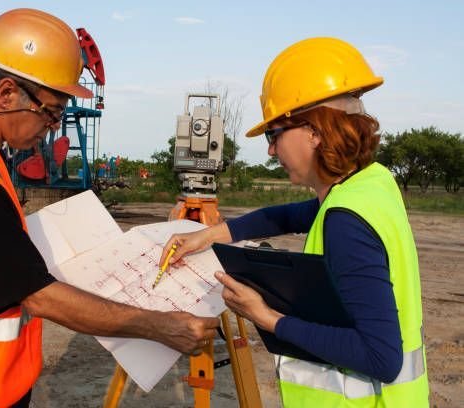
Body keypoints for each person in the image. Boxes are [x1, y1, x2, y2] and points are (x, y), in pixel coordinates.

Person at [0, 9, 219, 407]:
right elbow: (36, 295)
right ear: (6, 92)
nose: (52, 127)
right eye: (51, 113)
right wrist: (158, 326)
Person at [160, 37, 429, 407]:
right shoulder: (370, 184)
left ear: (316, 132)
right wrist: (210, 234)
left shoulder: (346, 221)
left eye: (275, 134)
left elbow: (380, 357)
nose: (271, 150)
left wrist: (265, 316)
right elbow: (287, 215)